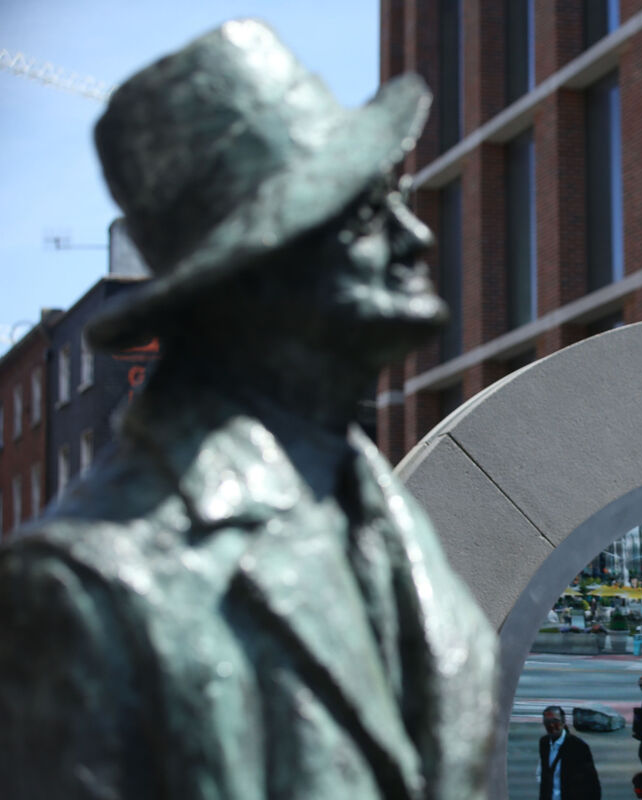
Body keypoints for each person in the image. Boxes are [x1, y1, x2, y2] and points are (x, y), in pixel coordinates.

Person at [0, 20, 496, 800]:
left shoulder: (383, 514)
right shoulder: (85, 590)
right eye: (366, 213)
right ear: (254, 272)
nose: (416, 233)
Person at [538, 706, 602, 800]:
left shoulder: (578, 746)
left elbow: (592, 784)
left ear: (563, 722)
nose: (551, 726)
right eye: (547, 722)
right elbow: (545, 779)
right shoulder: (544, 743)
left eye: (555, 721)